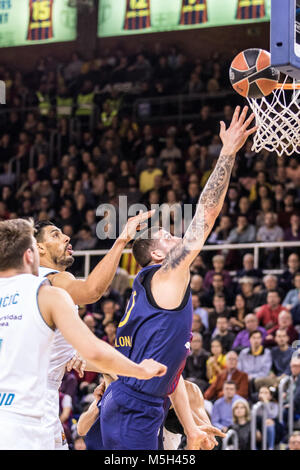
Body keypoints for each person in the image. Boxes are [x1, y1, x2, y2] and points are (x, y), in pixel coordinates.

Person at [100, 105, 256, 450]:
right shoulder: (165, 275)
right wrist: (228, 152)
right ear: (156, 255)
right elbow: (206, 214)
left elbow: (173, 375)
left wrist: (192, 426)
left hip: (137, 401)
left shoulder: (149, 290)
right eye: (168, 237)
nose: (177, 238)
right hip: (133, 407)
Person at [0, 219, 167, 450]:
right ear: (33, 251)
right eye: (56, 235)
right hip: (32, 411)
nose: (67, 237)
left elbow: (40, 350)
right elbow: (91, 292)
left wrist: (81, 358)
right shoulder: (52, 284)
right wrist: (138, 370)